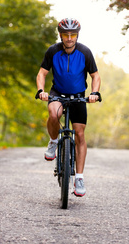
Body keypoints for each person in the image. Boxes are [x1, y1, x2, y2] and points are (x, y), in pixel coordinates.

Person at [35, 18, 101, 197]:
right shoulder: (53, 51)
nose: (69, 38)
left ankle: (79, 177)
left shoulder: (85, 52)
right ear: (61, 35)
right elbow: (42, 73)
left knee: (79, 134)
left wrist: (94, 93)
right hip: (58, 94)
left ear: (77, 35)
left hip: (79, 95)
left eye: (73, 34)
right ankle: (54, 141)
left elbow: (95, 76)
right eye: (66, 34)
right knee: (53, 113)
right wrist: (41, 90)